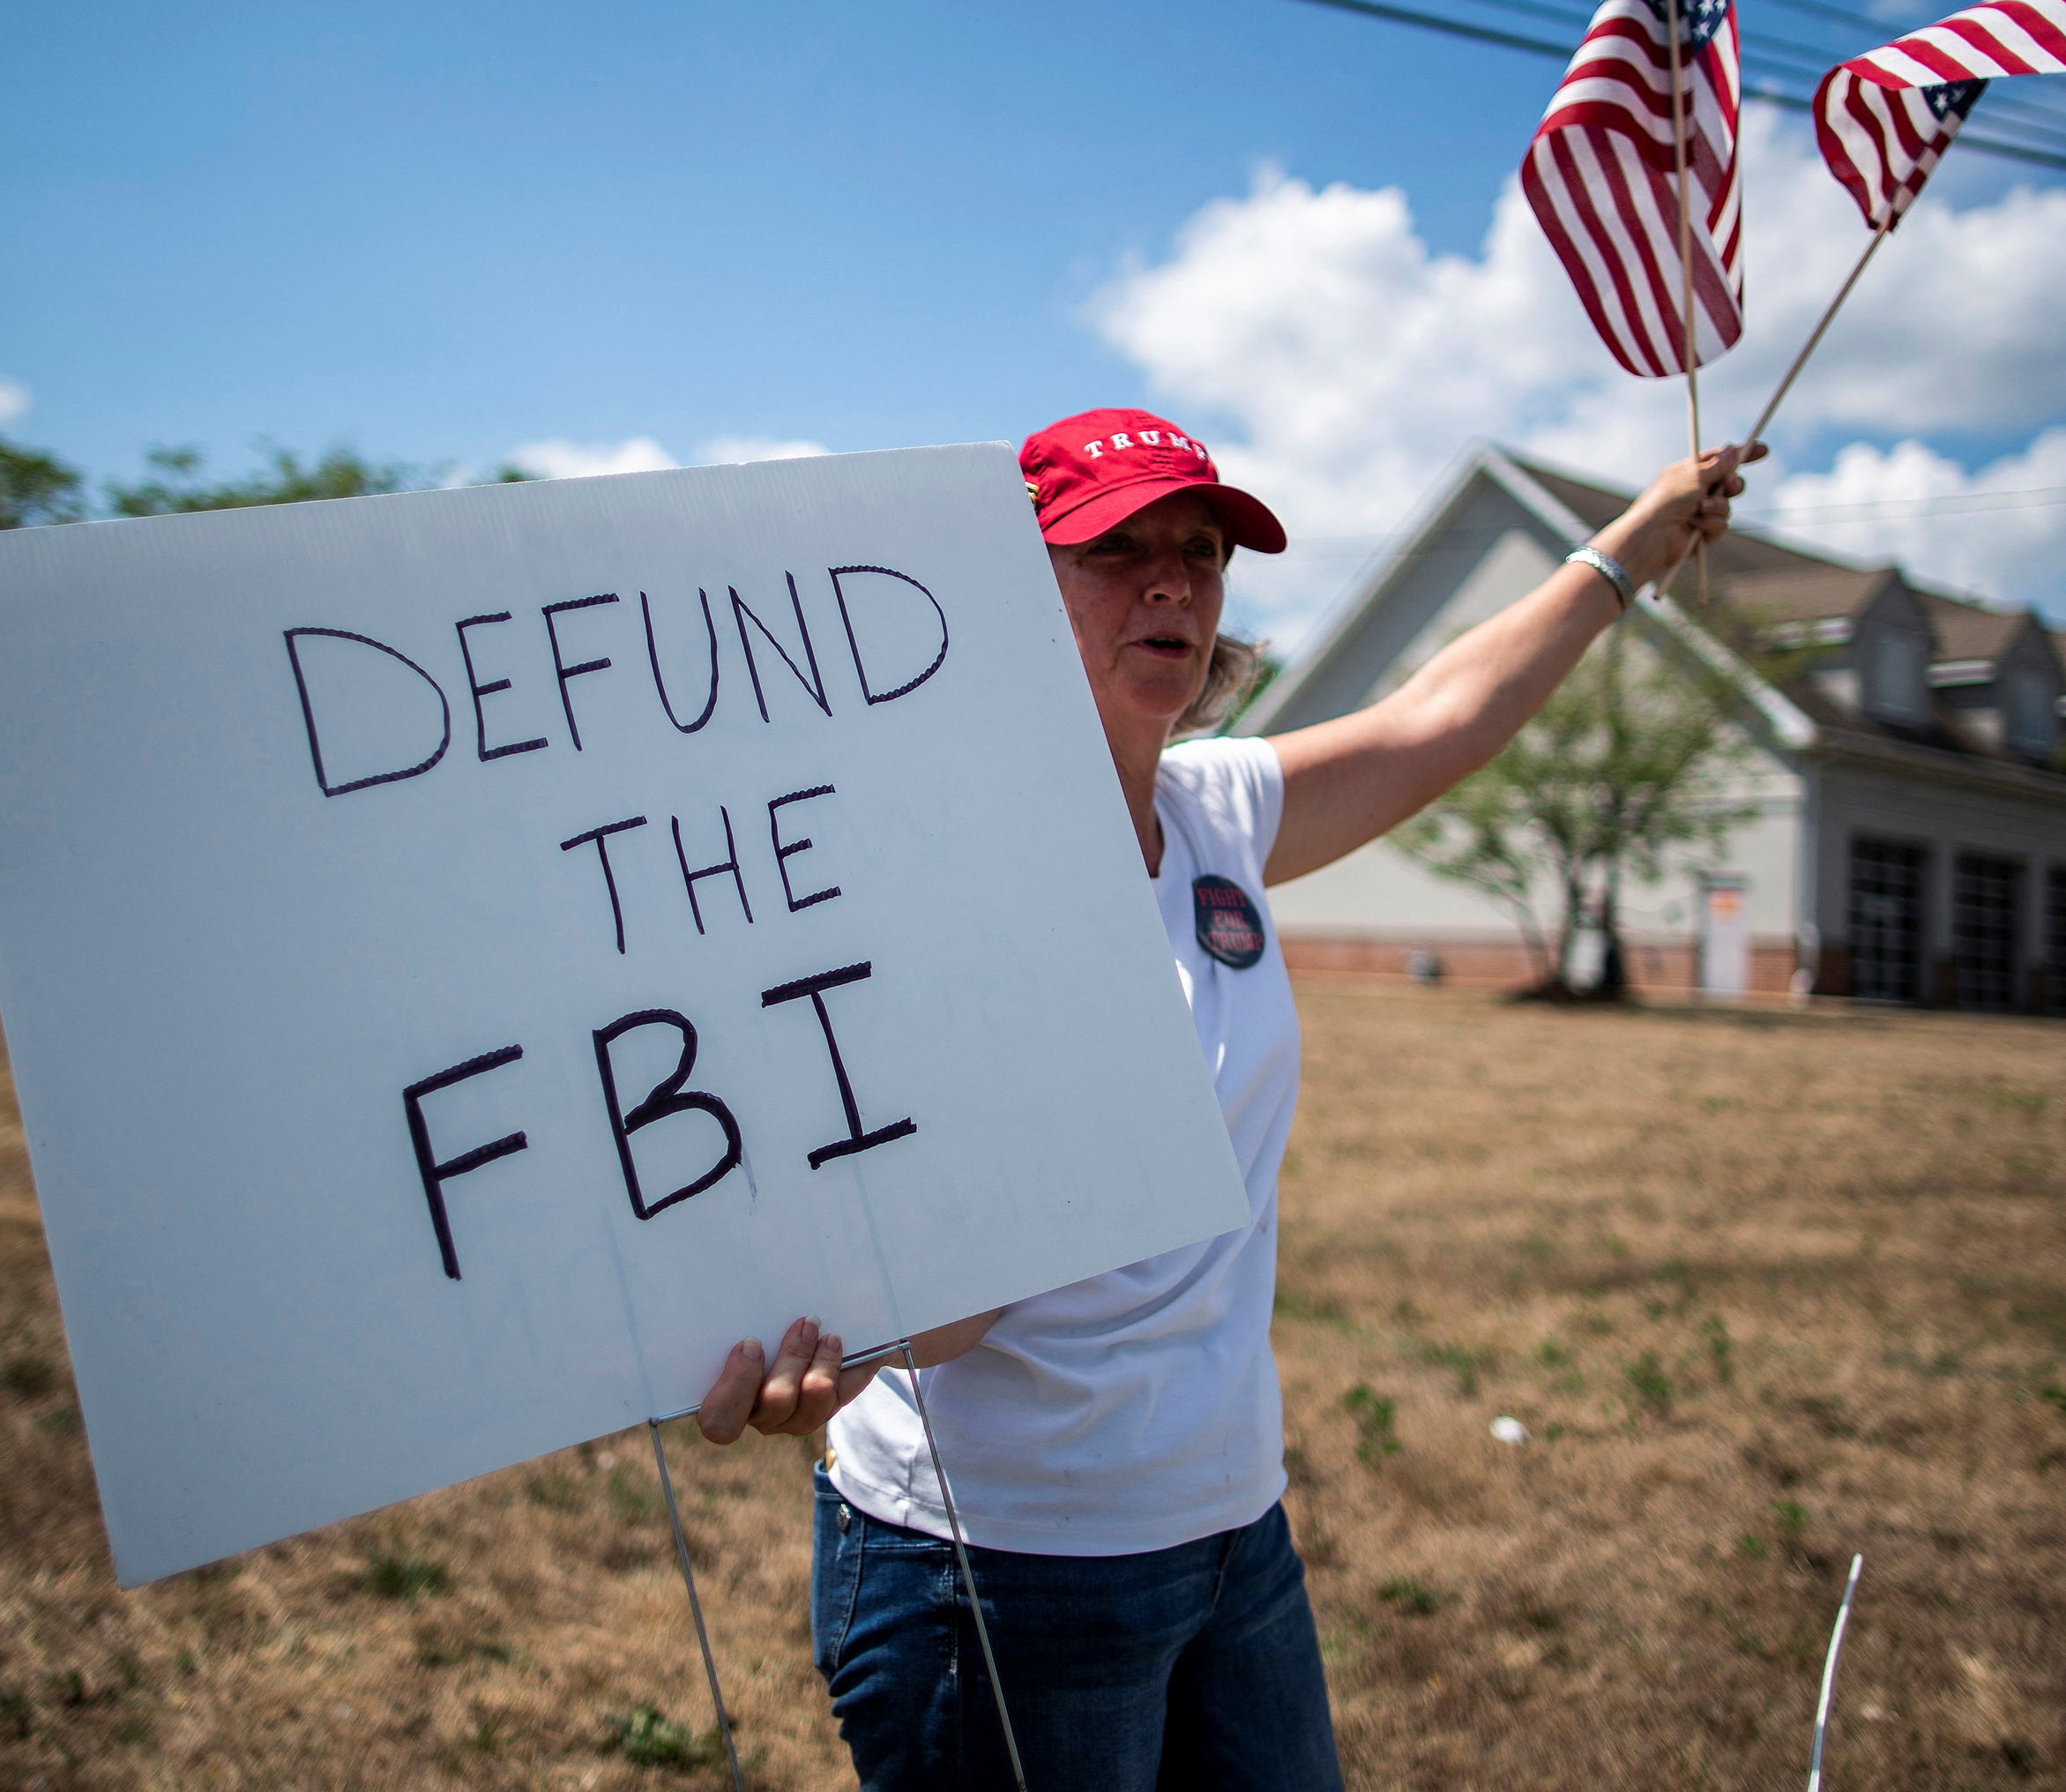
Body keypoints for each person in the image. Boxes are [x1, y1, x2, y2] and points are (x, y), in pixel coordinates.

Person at [695, 409, 1758, 1791]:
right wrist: (845, 1340)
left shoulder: (1217, 813)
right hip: (1001, 1578)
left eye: (1199, 550)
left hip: (1233, 1534)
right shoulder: (918, 872)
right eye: (1114, 548)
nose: (1172, 582)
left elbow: (1438, 716)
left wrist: (1633, 546)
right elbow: (955, 1290)